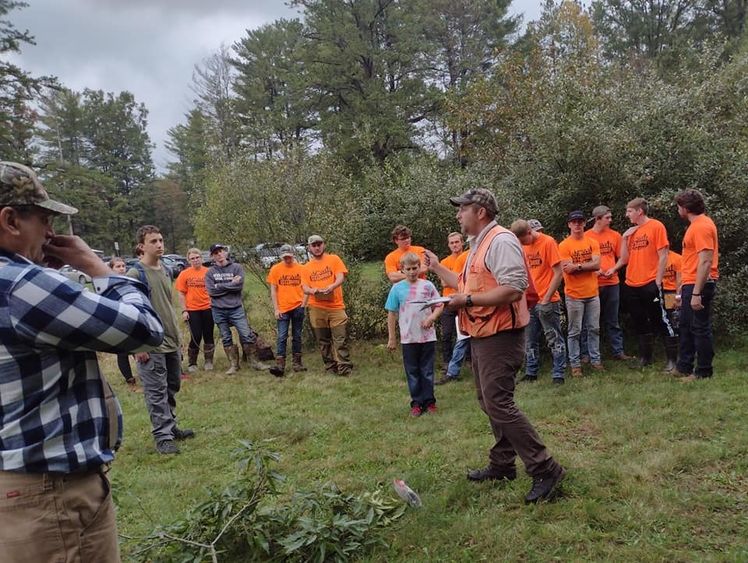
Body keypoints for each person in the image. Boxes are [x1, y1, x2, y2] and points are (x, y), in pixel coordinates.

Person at [0, 161, 164, 561]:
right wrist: (98, 269)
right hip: (48, 494)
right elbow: (144, 329)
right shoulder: (23, 286)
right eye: (43, 219)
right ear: (10, 220)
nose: (52, 233)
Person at [425, 187, 565, 504]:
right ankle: (502, 465)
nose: (458, 214)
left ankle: (545, 468)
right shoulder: (478, 245)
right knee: (488, 400)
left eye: (463, 208)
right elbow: (463, 284)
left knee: (499, 403)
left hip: (501, 335)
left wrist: (467, 300)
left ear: (481, 212)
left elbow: (514, 289)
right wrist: (436, 268)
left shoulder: (500, 241)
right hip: (483, 332)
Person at [128, 225, 195, 455]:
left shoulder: (166, 270)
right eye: (153, 241)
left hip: (171, 340)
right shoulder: (136, 274)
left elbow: (168, 305)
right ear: (141, 246)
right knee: (155, 391)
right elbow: (129, 313)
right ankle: (162, 437)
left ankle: (171, 425)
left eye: (161, 239)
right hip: (150, 344)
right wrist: (137, 345)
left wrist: (178, 337)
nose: (159, 244)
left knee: (172, 385)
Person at [607, 197, 674, 368]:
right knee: (639, 320)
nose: (626, 214)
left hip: (650, 281)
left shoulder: (656, 226)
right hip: (632, 283)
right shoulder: (631, 232)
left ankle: (673, 360)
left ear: (639, 211)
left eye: (629, 211)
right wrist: (623, 238)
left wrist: (658, 282)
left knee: (660, 319)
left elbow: (664, 255)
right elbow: (624, 258)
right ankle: (646, 359)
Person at [205, 244, 279, 376]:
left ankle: (254, 362)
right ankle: (234, 364)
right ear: (212, 256)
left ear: (225, 252)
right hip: (219, 310)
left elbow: (238, 288)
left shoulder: (237, 267)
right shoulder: (210, 272)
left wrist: (221, 286)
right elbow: (211, 291)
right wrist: (231, 284)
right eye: (216, 253)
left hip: (236, 308)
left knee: (246, 334)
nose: (219, 255)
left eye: (221, 251)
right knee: (226, 337)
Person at [386, 252, 444, 416]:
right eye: (408, 269)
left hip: (427, 337)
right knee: (412, 371)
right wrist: (392, 338)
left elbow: (440, 305)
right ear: (402, 270)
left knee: (427, 370)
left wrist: (432, 317)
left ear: (420, 268)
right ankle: (417, 403)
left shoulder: (427, 286)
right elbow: (391, 313)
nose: (412, 272)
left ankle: (430, 402)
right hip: (408, 337)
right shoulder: (397, 289)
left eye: (415, 268)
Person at [510, 219, 567, 383]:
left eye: (523, 240)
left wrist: (546, 299)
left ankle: (558, 374)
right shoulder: (521, 246)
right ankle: (531, 372)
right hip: (529, 301)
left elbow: (558, 273)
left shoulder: (548, 242)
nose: (522, 244)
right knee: (529, 339)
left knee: (554, 337)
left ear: (529, 232)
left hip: (548, 300)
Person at [674, 189, 719, 382]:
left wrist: (696, 293)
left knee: (700, 327)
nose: (678, 210)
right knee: (685, 325)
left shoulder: (701, 227)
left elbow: (706, 261)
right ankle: (684, 366)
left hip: (699, 284)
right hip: (690, 282)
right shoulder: (695, 225)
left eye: (678, 207)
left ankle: (703, 371)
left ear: (685, 208)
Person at [559, 211, 602, 377]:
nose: (577, 225)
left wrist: (577, 266)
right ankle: (575, 364)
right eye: (574, 222)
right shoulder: (564, 245)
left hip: (592, 293)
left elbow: (597, 264)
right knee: (574, 331)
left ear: (584, 223)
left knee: (594, 329)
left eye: (580, 222)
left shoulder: (592, 242)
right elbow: (567, 270)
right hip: (574, 295)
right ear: (569, 224)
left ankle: (596, 360)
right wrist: (586, 265)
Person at [584, 206, 630, 361]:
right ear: (598, 219)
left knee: (613, 319)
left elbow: (623, 258)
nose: (610, 220)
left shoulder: (615, 235)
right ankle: (587, 354)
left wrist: (613, 269)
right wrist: (594, 271)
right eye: (607, 218)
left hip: (612, 282)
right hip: (592, 283)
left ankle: (618, 351)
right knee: (590, 321)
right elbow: (582, 261)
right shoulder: (586, 237)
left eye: (610, 217)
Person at [302, 235, 352, 375]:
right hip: (316, 307)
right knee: (323, 340)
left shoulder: (334, 259)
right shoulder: (306, 267)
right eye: (314, 245)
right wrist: (314, 290)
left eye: (319, 244)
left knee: (340, 338)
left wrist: (332, 286)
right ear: (309, 248)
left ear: (324, 245)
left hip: (336, 306)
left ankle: (344, 367)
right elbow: (305, 287)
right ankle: (330, 367)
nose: (317, 248)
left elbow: (341, 277)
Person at [267, 244, 308, 375]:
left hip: (298, 306)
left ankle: (297, 363)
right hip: (283, 308)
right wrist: (276, 309)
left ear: (293, 255)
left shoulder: (302, 269)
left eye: (289, 257)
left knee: (297, 335)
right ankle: (280, 365)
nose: (287, 259)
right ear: (281, 257)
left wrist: (303, 304)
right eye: (284, 257)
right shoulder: (275, 269)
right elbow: (273, 290)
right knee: (282, 336)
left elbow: (306, 288)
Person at [436, 231, 469, 384]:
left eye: (457, 242)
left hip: (464, 300)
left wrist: (454, 279)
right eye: (452, 243)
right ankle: (447, 363)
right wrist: (458, 279)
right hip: (448, 301)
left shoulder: (469, 256)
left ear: (462, 243)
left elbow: (469, 280)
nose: (455, 245)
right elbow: (443, 282)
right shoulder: (444, 261)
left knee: (467, 332)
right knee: (447, 334)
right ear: (448, 245)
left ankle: (468, 361)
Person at [175, 248, 215, 372]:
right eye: (192, 258)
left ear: (201, 258)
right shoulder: (184, 274)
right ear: (189, 260)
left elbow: (215, 289)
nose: (195, 260)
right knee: (196, 336)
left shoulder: (209, 272)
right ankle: (192, 362)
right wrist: (184, 310)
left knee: (208, 335)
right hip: (192, 309)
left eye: (197, 257)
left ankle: (208, 361)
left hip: (208, 308)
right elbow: (181, 294)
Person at [110, 256, 142, 392]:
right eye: (118, 266)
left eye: (123, 266)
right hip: (117, 320)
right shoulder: (109, 284)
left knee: (138, 348)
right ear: (111, 269)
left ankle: (145, 375)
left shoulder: (130, 281)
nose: (121, 268)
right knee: (122, 352)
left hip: (133, 318)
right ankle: (129, 379)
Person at [661, 250, 682, 372]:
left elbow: (680, 279)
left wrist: (678, 296)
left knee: (674, 323)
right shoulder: (652, 258)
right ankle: (670, 358)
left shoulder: (677, 258)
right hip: (658, 293)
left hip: (672, 293)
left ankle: (678, 358)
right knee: (664, 324)